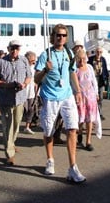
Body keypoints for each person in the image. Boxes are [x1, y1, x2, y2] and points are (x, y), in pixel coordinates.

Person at [34, 24, 86, 183]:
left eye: (64, 36)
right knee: (49, 130)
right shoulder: (45, 54)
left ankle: (73, 167)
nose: (61, 38)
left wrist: (78, 91)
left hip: (67, 95)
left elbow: (72, 73)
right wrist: (45, 71)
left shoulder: (69, 53)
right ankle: (50, 159)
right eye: (58, 35)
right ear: (53, 36)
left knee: (72, 129)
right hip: (50, 97)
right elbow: (36, 79)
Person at [0, 40, 31, 166]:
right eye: (12, 48)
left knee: (16, 124)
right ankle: (9, 153)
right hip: (6, 99)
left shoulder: (24, 60)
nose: (15, 51)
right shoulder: (1, 62)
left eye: (17, 48)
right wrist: (7, 85)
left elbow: (29, 75)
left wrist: (25, 84)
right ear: (8, 49)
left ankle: (12, 143)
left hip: (20, 98)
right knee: (8, 126)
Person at [76, 48, 99, 151]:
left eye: (83, 59)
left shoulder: (89, 67)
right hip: (80, 96)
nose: (81, 62)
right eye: (79, 59)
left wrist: (96, 93)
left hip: (90, 96)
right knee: (80, 118)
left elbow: (94, 81)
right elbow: (73, 84)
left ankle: (88, 141)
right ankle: (80, 132)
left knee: (90, 118)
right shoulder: (75, 69)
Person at [88, 47, 109, 120]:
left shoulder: (103, 59)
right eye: (97, 51)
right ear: (95, 52)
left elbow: (105, 70)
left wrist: (107, 79)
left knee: (100, 97)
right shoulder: (90, 59)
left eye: (100, 52)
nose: (99, 53)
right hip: (92, 80)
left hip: (100, 80)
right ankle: (92, 113)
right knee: (92, 97)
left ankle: (99, 113)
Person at [23, 51, 38, 134]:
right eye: (32, 60)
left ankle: (27, 126)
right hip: (23, 91)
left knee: (31, 109)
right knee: (22, 109)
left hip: (31, 91)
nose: (34, 61)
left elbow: (35, 79)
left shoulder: (34, 68)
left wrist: (36, 86)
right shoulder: (23, 67)